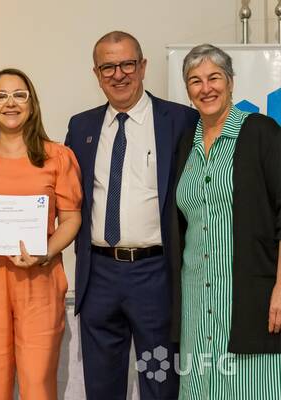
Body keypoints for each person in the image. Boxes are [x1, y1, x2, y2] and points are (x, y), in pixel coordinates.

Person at [65, 31, 199, 399]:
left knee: (160, 383)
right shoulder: (81, 127)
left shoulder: (181, 121)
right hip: (99, 275)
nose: (118, 74)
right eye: (108, 67)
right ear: (96, 73)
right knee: (101, 387)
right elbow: (68, 196)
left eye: (127, 64)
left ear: (143, 66)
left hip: (155, 275)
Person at [169, 43, 281, 399]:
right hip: (196, 302)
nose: (206, 88)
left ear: (231, 82)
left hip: (249, 300)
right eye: (195, 80)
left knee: (252, 388)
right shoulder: (186, 144)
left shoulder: (261, 132)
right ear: (187, 90)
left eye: (214, 77)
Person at [0, 68, 82, 400]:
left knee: (38, 385)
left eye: (19, 95)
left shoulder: (57, 156)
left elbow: (71, 219)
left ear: (32, 104)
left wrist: (45, 252)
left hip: (39, 281)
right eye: (0, 96)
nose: (10, 103)